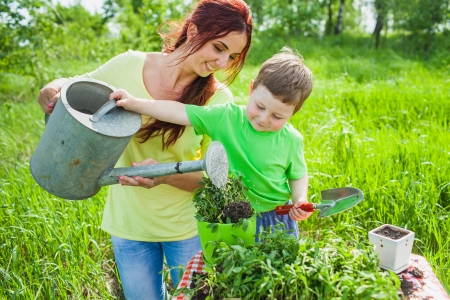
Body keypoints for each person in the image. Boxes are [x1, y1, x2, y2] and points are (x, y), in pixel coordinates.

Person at [37, 0, 252, 298]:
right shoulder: (129, 66)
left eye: (233, 56)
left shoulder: (219, 100)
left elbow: (218, 177)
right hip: (129, 225)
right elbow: (75, 86)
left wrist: (165, 176)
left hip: (186, 229)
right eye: (218, 48)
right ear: (192, 31)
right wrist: (51, 88)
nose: (223, 62)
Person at [111, 47, 314, 240]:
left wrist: (299, 200)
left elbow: (298, 174)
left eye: (277, 116)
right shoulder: (225, 117)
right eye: (259, 106)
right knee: (235, 269)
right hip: (233, 214)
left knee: (279, 271)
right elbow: (180, 111)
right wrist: (135, 103)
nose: (263, 119)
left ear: (294, 112)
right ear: (251, 89)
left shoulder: (291, 140)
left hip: (277, 216)